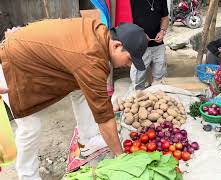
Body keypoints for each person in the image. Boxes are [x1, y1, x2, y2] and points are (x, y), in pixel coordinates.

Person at [0, 18, 148, 180]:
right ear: (116, 46)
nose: (129, 65)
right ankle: (27, 175)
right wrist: (121, 157)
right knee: (30, 126)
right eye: (129, 60)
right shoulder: (91, 60)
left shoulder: (98, 30)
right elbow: (104, 117)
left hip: (27, 51)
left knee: (80, 89)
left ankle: (88, 139)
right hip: (12, 64)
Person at [130, 0, 170, 90]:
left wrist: (162, 31)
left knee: (159, 78)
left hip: (158, 44)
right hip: (139, 46)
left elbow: (165, 18)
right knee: (137, 79)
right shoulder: (131, 1)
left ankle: (156, 95)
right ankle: (137, 95)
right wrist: (139, 33)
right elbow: (127, 21)